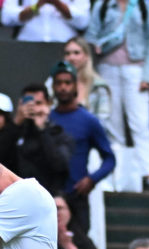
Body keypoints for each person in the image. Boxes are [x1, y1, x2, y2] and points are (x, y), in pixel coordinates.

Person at [85, 0, 149, 192]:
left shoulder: (145, 7)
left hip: (136, 70)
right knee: (112, 124)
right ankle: (117, 175)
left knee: (140, 122)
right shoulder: (103, 5)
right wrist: (97, 44)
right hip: (107, 68)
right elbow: (91, 35)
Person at [49, 61, 116, 236]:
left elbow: (110, 158)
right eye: (59, 83)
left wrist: (92, 179)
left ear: (76, 86)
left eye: (67, 82)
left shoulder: (88, 120)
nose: (63, 87)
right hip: (48, 197)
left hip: (77, 195)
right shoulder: (46, 118)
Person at [11, 83, 73, 197]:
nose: (33, 108)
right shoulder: (16, 132)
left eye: (38, 103)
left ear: (48, 105)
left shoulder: (58, 134)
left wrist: (42, 129)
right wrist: (16, 122)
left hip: (48, 197)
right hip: (18, 197)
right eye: (28, 103)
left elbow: (60, 165)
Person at [2, 0, 89, 42]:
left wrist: (57, 3)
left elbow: (83, 22)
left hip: (65, 46)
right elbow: (6, 18)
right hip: (27, 44)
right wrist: (36, 6)